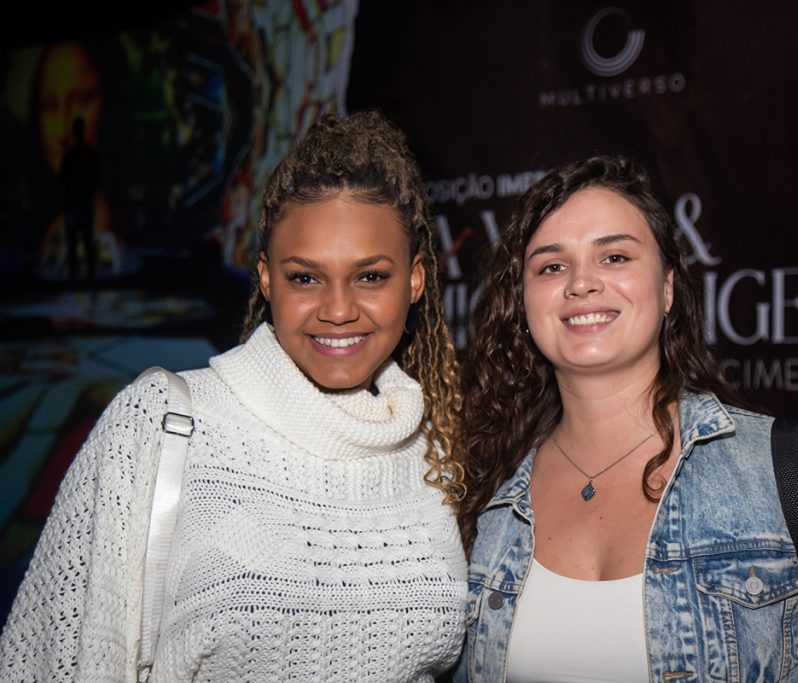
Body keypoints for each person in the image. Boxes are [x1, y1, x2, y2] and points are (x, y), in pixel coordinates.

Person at [0, 111, 469, 682]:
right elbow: (56, 661)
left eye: (370, 276)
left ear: (415, 280)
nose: (338, 309)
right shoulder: (163, 422)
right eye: (305, 277)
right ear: (267, 278)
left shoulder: (434, 453)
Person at [455, 155, 798, 682]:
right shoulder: (484, 494)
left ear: (668, 288)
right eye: (551, 266)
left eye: (614, 257)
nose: (581, 283)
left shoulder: (795, 472)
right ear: (523, 302)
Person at [59, 115, 101, 284]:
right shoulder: (82, 154)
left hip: (78, 206)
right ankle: (85, 279)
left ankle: (79, 279)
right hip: (79, 206)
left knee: (79, 244)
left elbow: (64, 180)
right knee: (81, 243)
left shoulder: (75, 155)